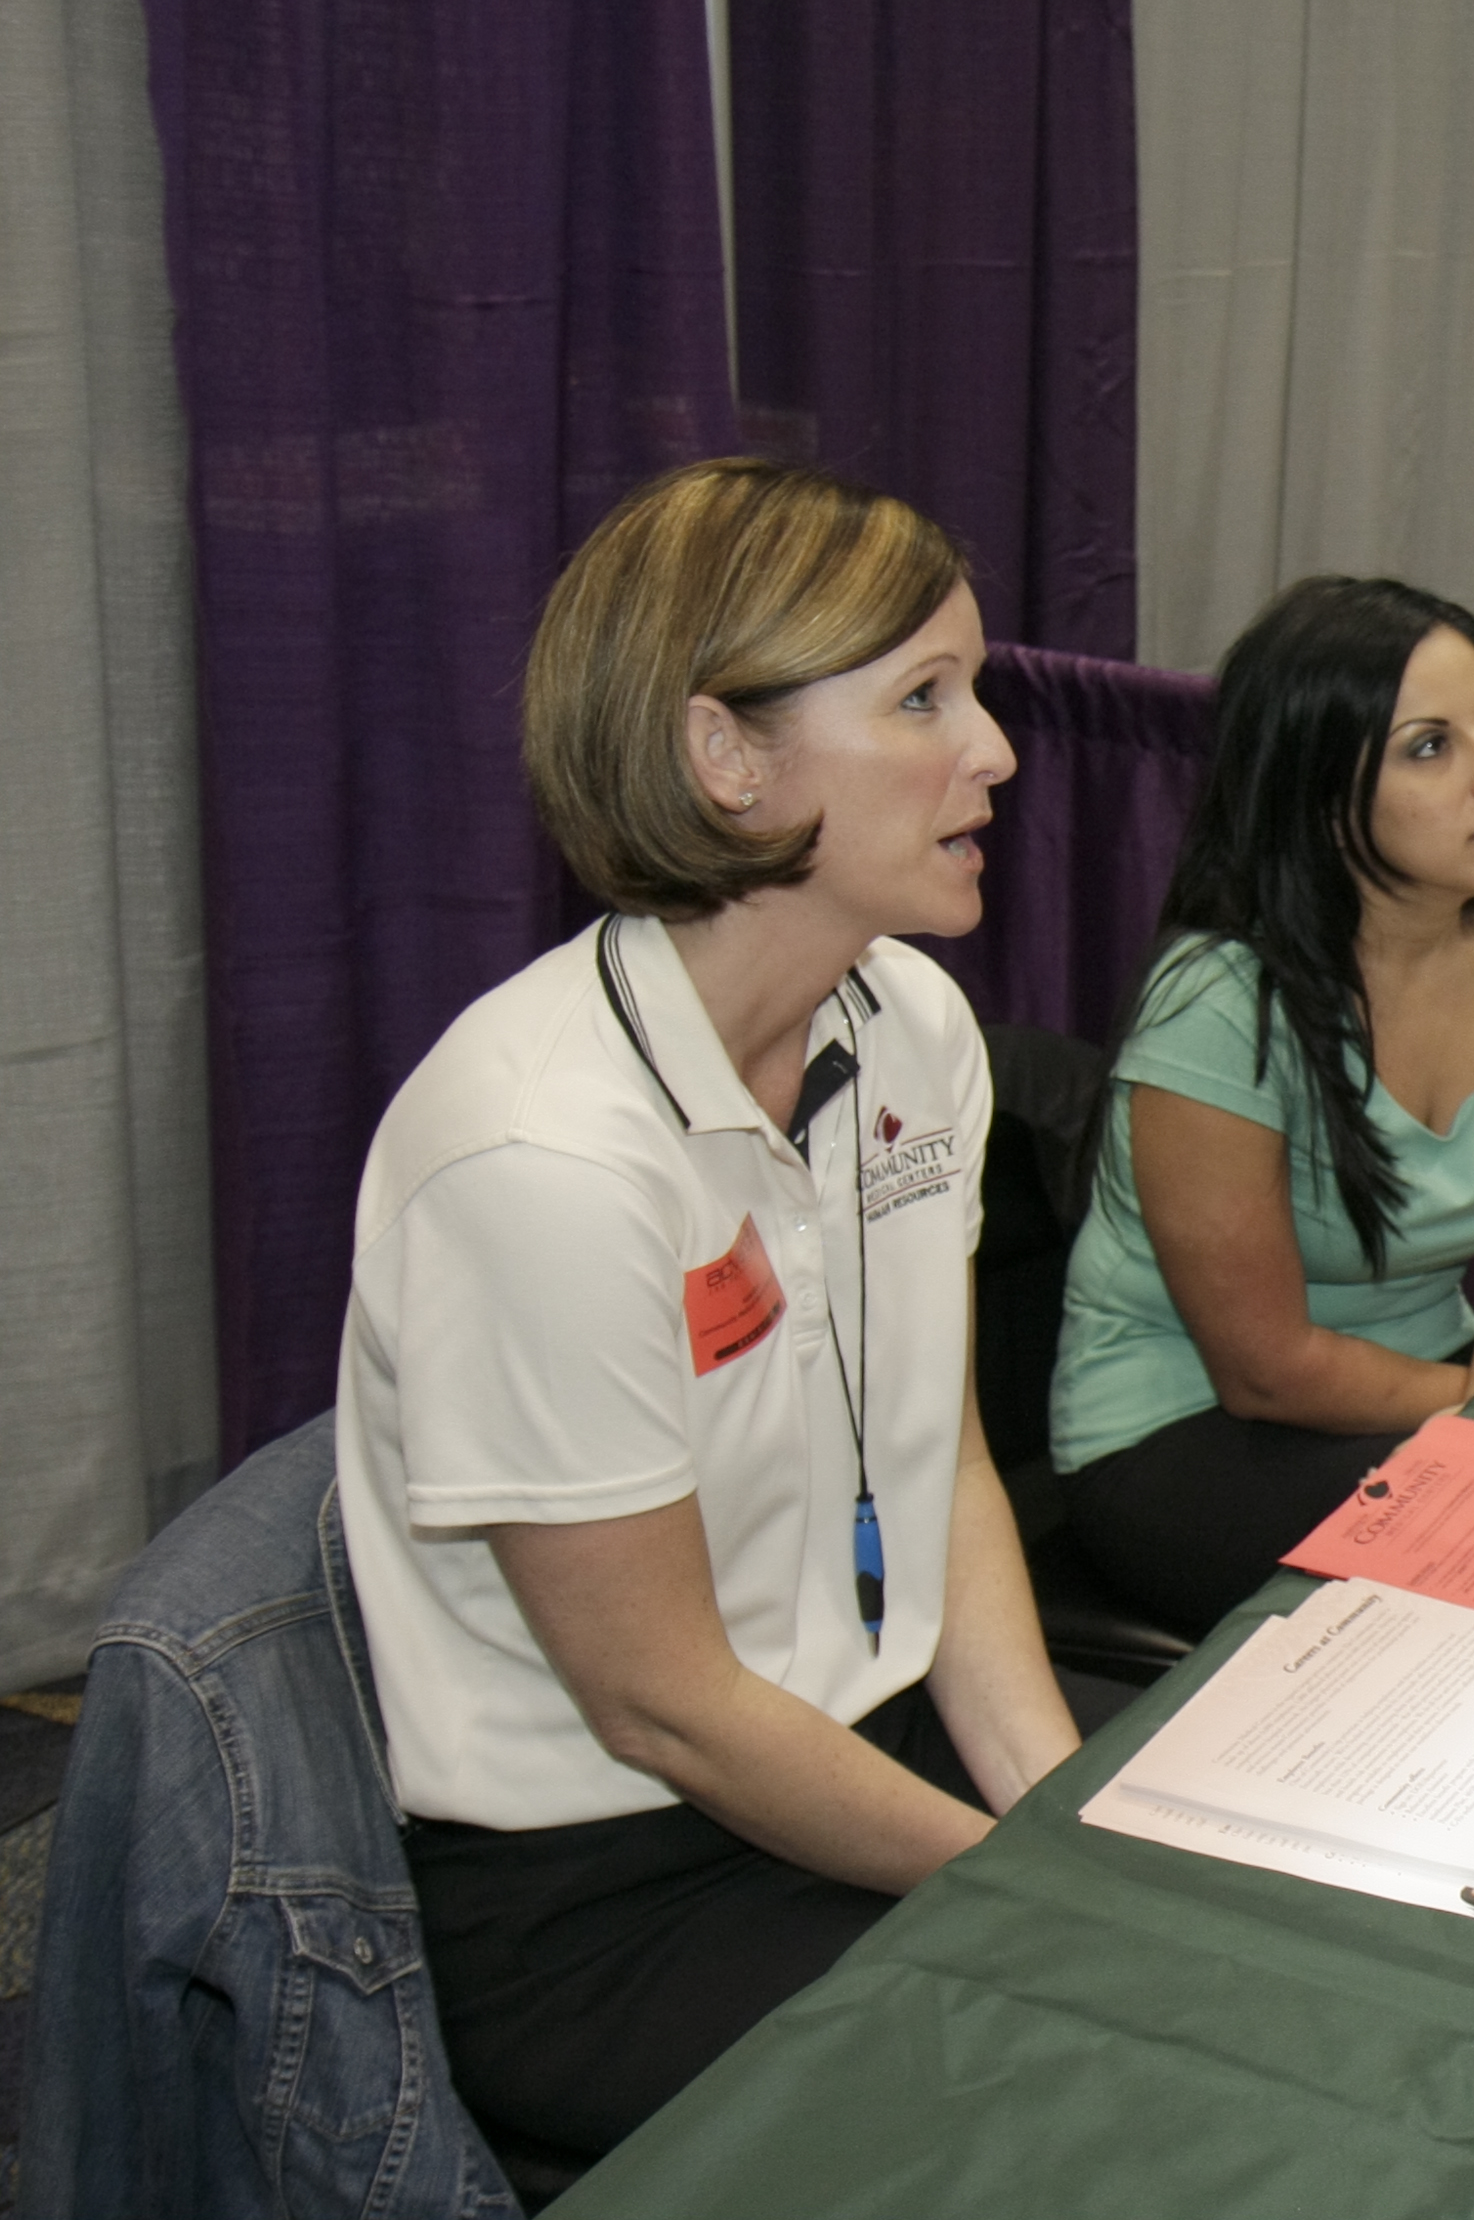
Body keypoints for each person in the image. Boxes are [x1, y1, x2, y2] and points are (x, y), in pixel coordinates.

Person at [336, 458, 1115, 2158]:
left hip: (869, 1744)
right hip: (617, 1891)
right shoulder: (537, 1158)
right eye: (924, 697)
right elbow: (666, 1702)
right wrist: (1034, 1887)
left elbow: (944, 1465)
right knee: (1112, 2094)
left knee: (1280, 1920)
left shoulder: (913, 1023)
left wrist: (1059, 1805)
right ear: (727, 756)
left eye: (972, 689)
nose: (991, 747)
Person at [1050, 578, 1474, 1637]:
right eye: (1428, 747)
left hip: (1440, 1379)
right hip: (1187, 1430)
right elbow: (1265, 1370)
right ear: (1318, 796)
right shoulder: (1219, 1004)